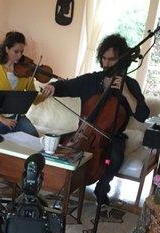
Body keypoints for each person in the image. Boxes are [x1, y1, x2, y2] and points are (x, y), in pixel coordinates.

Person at [42, 34, 149, 205]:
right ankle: (58, 182)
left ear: (122, 60)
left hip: (111, 137)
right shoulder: (93, 79)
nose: (106, 64)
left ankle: (102, 187)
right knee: (56, 145)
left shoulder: (130, 84)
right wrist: (52, 87)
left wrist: (126, 93)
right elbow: (67, 85)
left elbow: (142, 114)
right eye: (104, 59)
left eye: (111, 60)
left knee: (115, 155)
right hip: (83, 132)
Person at [0, 31, 45, 158]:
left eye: (22, 51)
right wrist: (2, 119)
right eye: (16, 51)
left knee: (35, 142)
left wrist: (45, 95)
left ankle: (14, 163)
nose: (19, 55)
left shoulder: (26, 72)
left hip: (18, 118)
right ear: (7, 49)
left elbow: (34, 99)